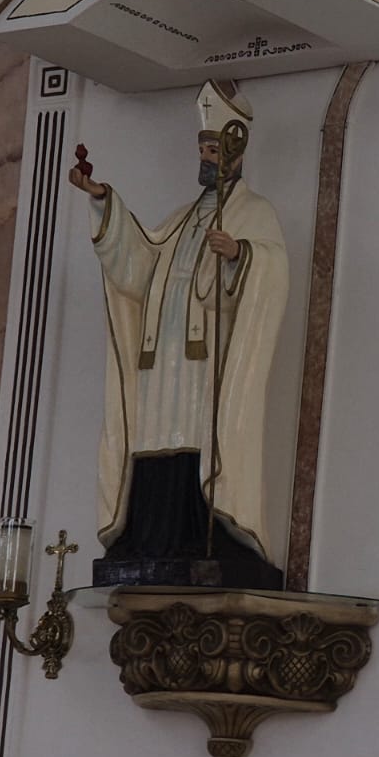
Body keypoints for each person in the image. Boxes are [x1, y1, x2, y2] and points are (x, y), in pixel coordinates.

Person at [69, 80, 289, 587]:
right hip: (160, 357)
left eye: (214, 150)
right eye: (202, 149)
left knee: (198, 436)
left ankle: (204, 536)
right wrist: (105, 202)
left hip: (206, 360)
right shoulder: (180, 218)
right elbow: (138, 267)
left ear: (235, 153)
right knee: (151, 438)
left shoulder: (254, 212)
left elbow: (273, 273)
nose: (206, 159)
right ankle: (149, 539)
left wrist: (240, 256)